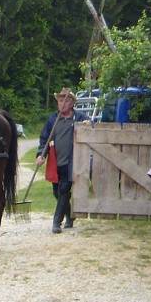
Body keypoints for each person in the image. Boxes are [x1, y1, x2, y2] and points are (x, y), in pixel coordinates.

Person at [36, 87, 90, 234]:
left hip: (71, 162)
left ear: (71, 103)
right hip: (55, 161)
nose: (62, 103)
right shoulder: (52, 119)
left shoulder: (79, 118)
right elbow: (44, 139)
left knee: (64, 189)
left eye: (65, 101)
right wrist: (41, 155)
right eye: (60, 100)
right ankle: (70, 215)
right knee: (56, 191)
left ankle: (56, 222)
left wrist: (88, 125)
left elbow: (91, 127)